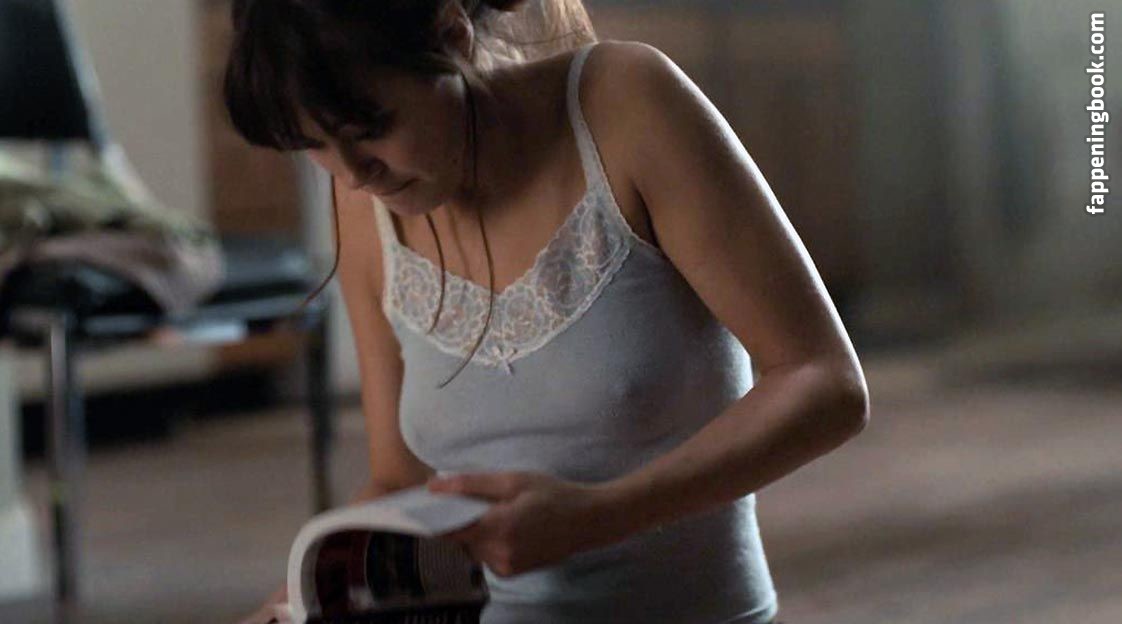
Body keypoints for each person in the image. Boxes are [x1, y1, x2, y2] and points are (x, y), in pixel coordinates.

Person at [224, 1, 869, 623]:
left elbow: (825, 382)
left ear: (451, 36)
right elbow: (399, 481)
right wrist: (293, 603)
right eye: (313, 145)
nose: (353, 174)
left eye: (369, 130)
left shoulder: (627, 107)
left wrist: (603, 516)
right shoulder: (364, 205)